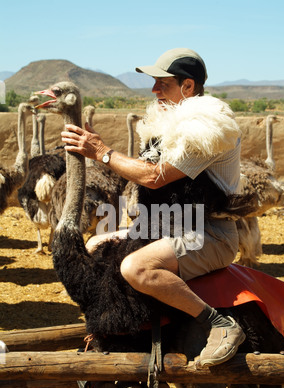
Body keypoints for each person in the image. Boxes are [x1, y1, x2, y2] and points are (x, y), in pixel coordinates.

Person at [61, 47, 246, 367]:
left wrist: (103, 152)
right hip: (168, 223)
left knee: (137, 268)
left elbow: (153, 177)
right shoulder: (171, 125)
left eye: (163, 83)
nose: (154, 89)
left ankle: (219, 324)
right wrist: (100, 147)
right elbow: (145, 170)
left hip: (208, 232)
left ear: (188, 87)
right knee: (93, 244)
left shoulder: (207, 128)